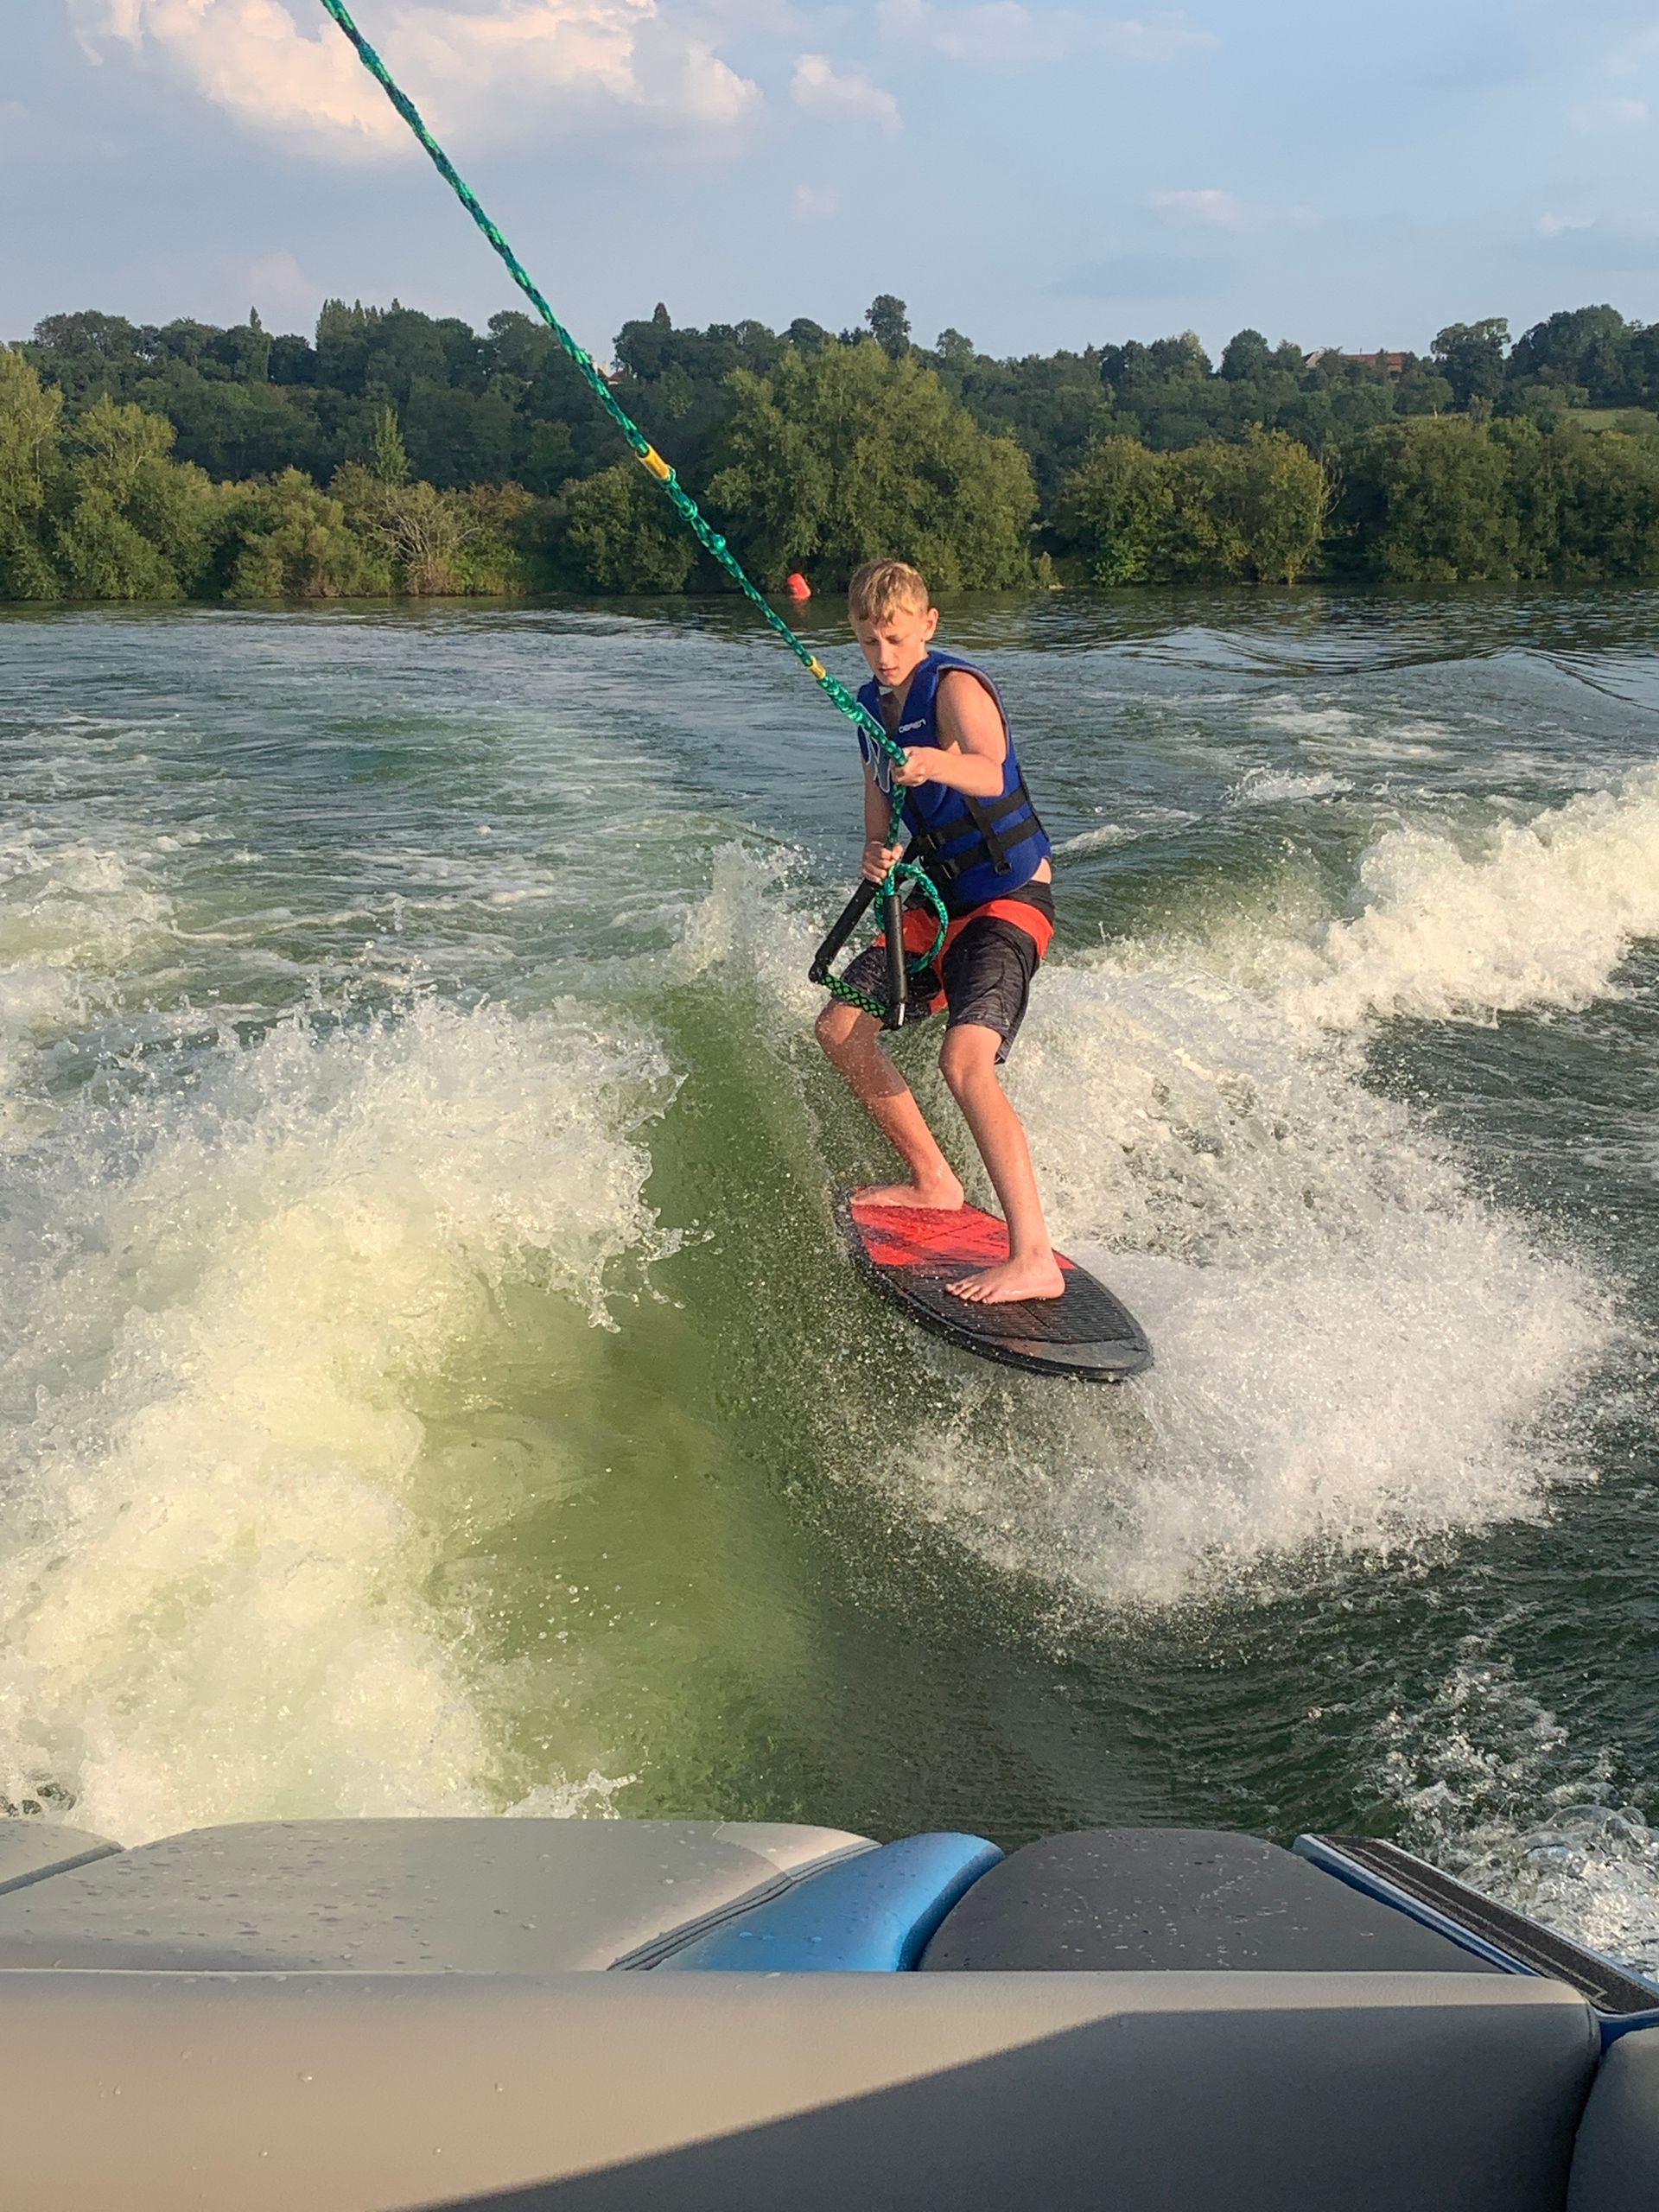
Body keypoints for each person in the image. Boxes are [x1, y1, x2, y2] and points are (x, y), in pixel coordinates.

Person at [815, 558, 1063, 1304]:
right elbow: (877, 811)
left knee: (964, 1060)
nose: (884, 657)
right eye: (867, 643)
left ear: (927, 625)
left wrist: (935, 762)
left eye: (894, 638)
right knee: (838, 1028)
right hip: (936, 905)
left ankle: (1034, 1257)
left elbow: (991, 771)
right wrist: (876, 851)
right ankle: (934, 1181)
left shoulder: (954, 688)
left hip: (1007, 898)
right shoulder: (869, 712)